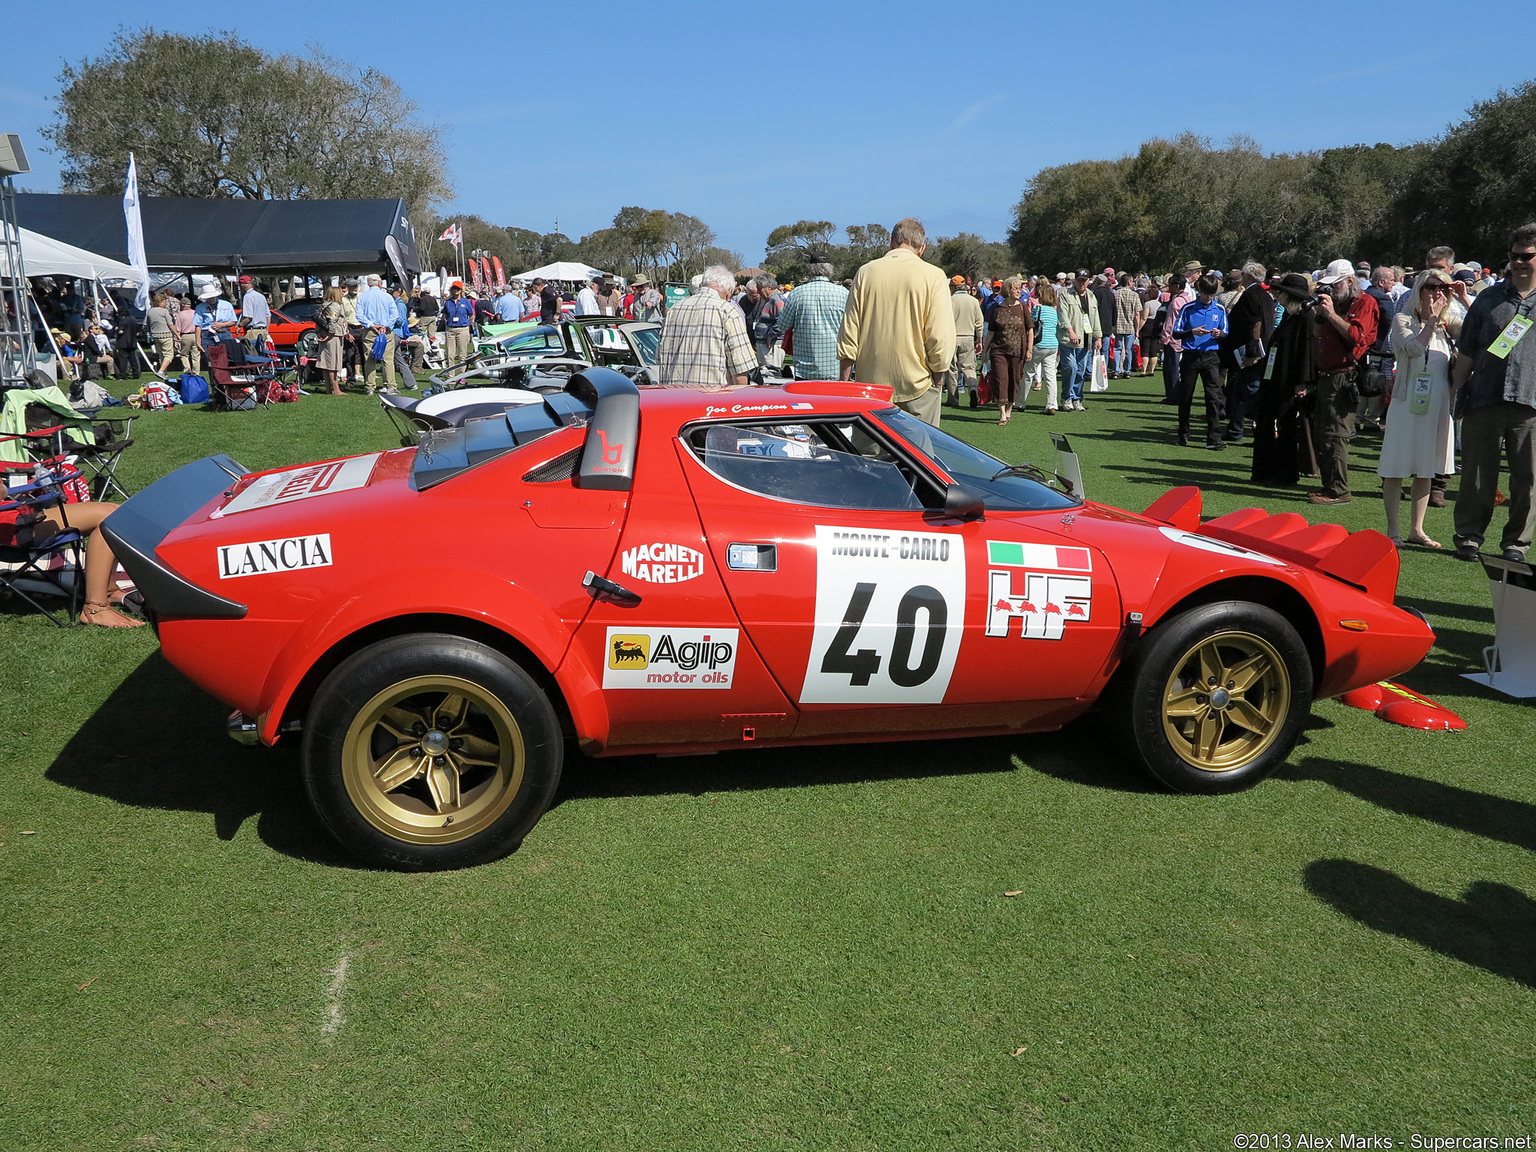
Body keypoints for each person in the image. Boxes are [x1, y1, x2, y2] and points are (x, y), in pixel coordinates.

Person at [1451, 223, 1536, 562]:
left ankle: (1517, 544)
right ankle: (1469, 537)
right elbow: (1468, 348)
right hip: (1483, 397)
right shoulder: (1488, 298)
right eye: (1514, 256)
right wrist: (1457, 388)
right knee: (1475, 475)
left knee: (1527, 480)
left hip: (1530, 402)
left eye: (1527, 256)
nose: (1519, 262)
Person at [836, 218, 955, 426]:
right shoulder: (934, 276)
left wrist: (844, 381)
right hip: (918, 383)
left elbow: (849, 331)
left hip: (871, 386)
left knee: (869, 456)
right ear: (922, 248)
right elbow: (939, 335)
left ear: (891, 241)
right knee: (919, 455)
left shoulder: (866, 272)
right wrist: (939, 376)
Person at [1379, 270, 1459, 548]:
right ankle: (1393, 530)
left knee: (1426, 468)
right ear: (1418, 290)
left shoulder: (1448, 324)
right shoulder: (1404, 319)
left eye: (1442, 288)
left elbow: (1479, 330)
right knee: (1396, 466)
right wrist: (1431, 321)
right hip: (1406, 403)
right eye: (1430, 287)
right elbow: (1412, 349)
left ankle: (1417, 529)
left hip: (1436, 405)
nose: (1437, 293)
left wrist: (1462, 298)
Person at [1307, 259, 1380, 505]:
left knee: (1336, 434)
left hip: (1343, 375)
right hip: (1326, 375)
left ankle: (1339, 490)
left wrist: (1330, 315)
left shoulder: (1365, 303)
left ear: (1350, 280)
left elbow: (1357, 337)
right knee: (1323, 434)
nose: (1331, 290)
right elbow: (1316, 336)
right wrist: (1321, 315)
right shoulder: (1336, 305)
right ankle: (1329, 485)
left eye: (1335, 285)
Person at [1251, 273, 1315, 487]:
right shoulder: (1289, 315)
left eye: (1282, 292)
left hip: (1290, 380)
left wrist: (1303, 381)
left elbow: (1306, 350)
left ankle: (1285, 474)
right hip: (1274, 377)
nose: (1278, 295)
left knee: (1287, 426)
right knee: (1267, 422)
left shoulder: (1306, 317)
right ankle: (1265, 470)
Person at [655, 264, 757, 388]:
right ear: (729, 291)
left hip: (673, 396)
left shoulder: (674, 309)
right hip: (711, 399)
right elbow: (740, 367)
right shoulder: (727, 311)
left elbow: (659, 357)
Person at [1219, 262, 1277, 444]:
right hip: (1259, 351)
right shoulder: (1264, 295)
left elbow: (1255, 325)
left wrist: (1251, 353)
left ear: (1250, 276)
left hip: (1252, 353)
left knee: (1248, 392)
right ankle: (1237, 428)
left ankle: (1242, 430)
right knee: (1241, 391)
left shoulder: (1252, 295)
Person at [1171, 274, 1230, 449]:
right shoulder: (1188, 308)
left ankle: (1214, 438)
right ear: (1199, 291)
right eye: (1206, 294)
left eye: (1211, 295)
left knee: (1213, 397)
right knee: (1186, 396)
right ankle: (1183, 434)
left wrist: (1219, 334)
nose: (1208, 298)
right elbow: (1176, 332)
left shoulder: (1219, 309)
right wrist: (1192, 332)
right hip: (1191, 356)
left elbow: (1226, 332)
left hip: (1211, 357)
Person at [774, 252, 847, 383]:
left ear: (810, 269)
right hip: (835, 368)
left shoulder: (797, 293)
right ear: (830, 269)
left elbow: (782, 325)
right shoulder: (844, 293)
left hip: (805, 369)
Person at [982, 277, 1032, 425]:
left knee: (1014, 379)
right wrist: (984, 350)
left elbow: (1030, 329)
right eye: (1015, 288)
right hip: (998, 350)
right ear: (1008, 290)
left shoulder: (1023, 308)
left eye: (1020, 289)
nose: (1018, 291)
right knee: (1000, 380)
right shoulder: (997, 309)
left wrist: (1029, 349)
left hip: (1018, 350)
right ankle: (1002, 412)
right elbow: (990, 331)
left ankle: (1010, 408)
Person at [1055, 274, 1100, 412]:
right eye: (1079, 280)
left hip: (1086, 338)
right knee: (1070, 367)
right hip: (1068, 339)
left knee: (1080, 371)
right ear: (1075, 281)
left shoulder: (1091, 296)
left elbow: (1095, 317)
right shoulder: (1065, 294)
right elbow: (1062, 314)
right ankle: (1066, 397)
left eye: (1084, 281)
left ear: (1088, 282)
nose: (1081, 283)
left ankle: (1077, 398)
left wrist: (1098, 337)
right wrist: (1070, 331)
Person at [944, 274, 985, 406]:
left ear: (953, 287)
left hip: (952, 337)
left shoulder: (949, 300)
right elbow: (979, 322)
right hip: (968, 337)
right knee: (969, 367)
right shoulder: (973, 301)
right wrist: (979, 339)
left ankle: (953, 398)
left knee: (952, 369)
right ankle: (972, 388)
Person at [355, 275, 398, 394]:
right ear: (379, 283)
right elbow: (395, 314)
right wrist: (385, 325)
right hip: (386, 331)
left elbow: (359, 315)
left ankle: (370, 386)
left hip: (370, 331)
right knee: (388, 359)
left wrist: (371, 325)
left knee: (369, 359)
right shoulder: (388, 297)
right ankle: (391, 385)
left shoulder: (362, 297)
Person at [1028, 283, 1061, 413]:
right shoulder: (1054, 311)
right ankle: (1052, 404)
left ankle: (1020, 402)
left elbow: (1031, 323)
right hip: (1053, 345)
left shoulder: (1038, 309)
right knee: (1050, 375)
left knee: (1028, 373)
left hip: (1039, 344)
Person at [1159, 274, 1193, 404]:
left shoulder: (1176, 302)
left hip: (1173, 340)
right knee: (1180, 369)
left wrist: (1165, 337)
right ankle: (1181, 393)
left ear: (1177, 286)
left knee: (1171, 369)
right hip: (1185, 338)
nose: (1169, 289)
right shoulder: (1188, 300)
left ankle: (1173, 395)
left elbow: (1170, 322)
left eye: (1171, 286)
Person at [748, 273, 785, 369]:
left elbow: (782, 322)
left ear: (769, 287)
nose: (759, 292)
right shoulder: (772, 299)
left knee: (770, 374)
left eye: (760, 289)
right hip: (767, 346)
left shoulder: (776, 300)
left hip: (771, 347)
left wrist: (770, 335)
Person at [1111, 274, 1142, 379]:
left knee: (1117, 349)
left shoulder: (1115, 294)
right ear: (1129, 282)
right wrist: (1137, 329)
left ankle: (1116, 370)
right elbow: (1137, 314)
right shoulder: (1134, 295)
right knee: (1128, 349)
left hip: (1118, 325)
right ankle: (1127, 370)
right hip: (1130, 326)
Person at [440, 281, 475, 366]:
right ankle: (451, 375)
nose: (456, 290)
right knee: (450, 354)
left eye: (458, 289)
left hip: (462, 329)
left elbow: (471, 315)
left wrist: (467, 325)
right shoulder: (448, 302)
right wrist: (446, 322)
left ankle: (462, 376)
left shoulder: (466, 301)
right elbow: (445, 314)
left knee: (462, 354)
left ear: (461, 290)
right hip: (450, 329)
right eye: (454, 288)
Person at [1138, 282, 1163, 378]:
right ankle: (1151, 370)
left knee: (1145, 350)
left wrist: (1138, 329)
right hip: (1156, 326)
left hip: (1148, 326)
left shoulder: (1147, 304)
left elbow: (1144, 317)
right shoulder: (1159, 304)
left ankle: (1143, 371)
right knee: (1153, 350)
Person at [239, 276, 270, 355]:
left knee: (252, 354)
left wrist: (239, 325)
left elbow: (249, 317)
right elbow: (268, 315)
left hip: (253, 331)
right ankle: (262, 367)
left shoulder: (247, 297)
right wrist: (266, 330)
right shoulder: (261, 296)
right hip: (263, 331)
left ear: (243, 285)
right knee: (262, 354)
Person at [146, 292, 175, 376]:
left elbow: (146, 324)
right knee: (169, 355)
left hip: (155, 336)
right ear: (160, 302)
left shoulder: (149, 311)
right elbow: (170, 324)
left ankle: (164, 373)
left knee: (162, 355)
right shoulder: (164, 311)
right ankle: (161, 371)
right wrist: (177, 334)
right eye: (164, 302)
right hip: (166, 335)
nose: (165, 304)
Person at [173, 295, 200, 375]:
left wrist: (176, 340)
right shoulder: (195, 313)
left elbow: (178, 329)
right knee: (196, 355)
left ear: (182, 305)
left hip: (185, 336)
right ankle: (196, 372)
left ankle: (187, 369)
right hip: (195, 335)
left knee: (184, 354)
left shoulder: (180, 314)